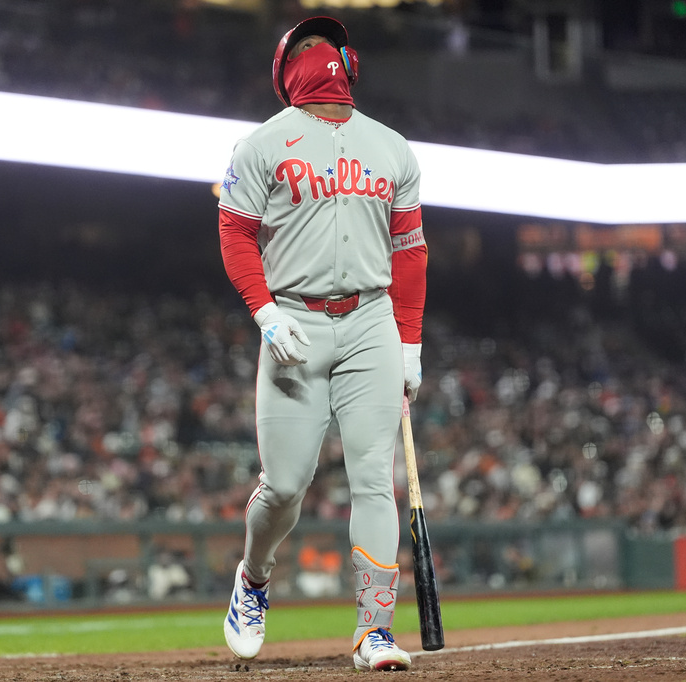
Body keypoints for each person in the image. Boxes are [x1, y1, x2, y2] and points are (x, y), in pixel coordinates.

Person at [217, 15, 427, 672]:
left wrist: (410, 342)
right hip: (294, 323)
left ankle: (375, 632)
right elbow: (235, 235)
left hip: (370, 322)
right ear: (285, 72)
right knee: (283, 486)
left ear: (351, 61)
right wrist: (263, 312)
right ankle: (253, 577)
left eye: (327, 43)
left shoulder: (393, 148)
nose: (320, 53)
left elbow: (411, 253)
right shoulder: (261, 144)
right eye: (305, 45)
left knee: (373, 481)